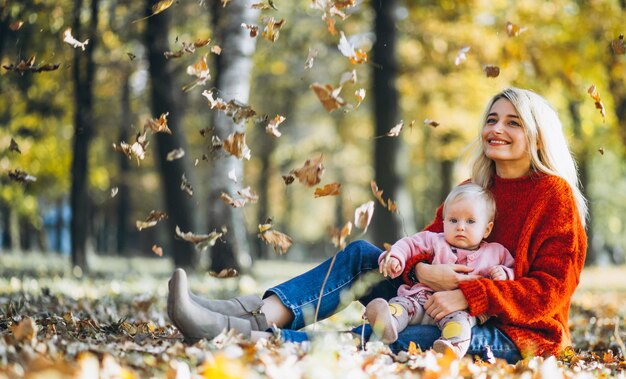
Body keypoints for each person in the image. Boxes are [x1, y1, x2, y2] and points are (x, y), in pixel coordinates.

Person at [167, 87, 587, 363]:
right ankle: (254, 316)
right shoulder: (472, 188)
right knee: (363, 256)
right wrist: (423, 271)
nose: (496, 129)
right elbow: (426, 243)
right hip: (434, 297)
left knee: (405, 334)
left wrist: (468, 297)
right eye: (492, 119)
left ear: (536, 135)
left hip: (515, 333)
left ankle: (245, 339)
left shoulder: (555, 198)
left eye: (513, 122)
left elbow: (549, 294)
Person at [365, 183, 514, 359]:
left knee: (461, 325)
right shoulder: (435, 240)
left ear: (487, 229)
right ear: (443, 223)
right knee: (402, 305)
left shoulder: (496, 252)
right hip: (419, 300)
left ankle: (450, 346)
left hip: (459, 312)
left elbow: (513, 278)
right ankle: (388, 322)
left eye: (470, 221)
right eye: (453, 220)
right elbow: (409, 244)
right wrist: (396, 257)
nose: (460, 227)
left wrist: (504, 273)